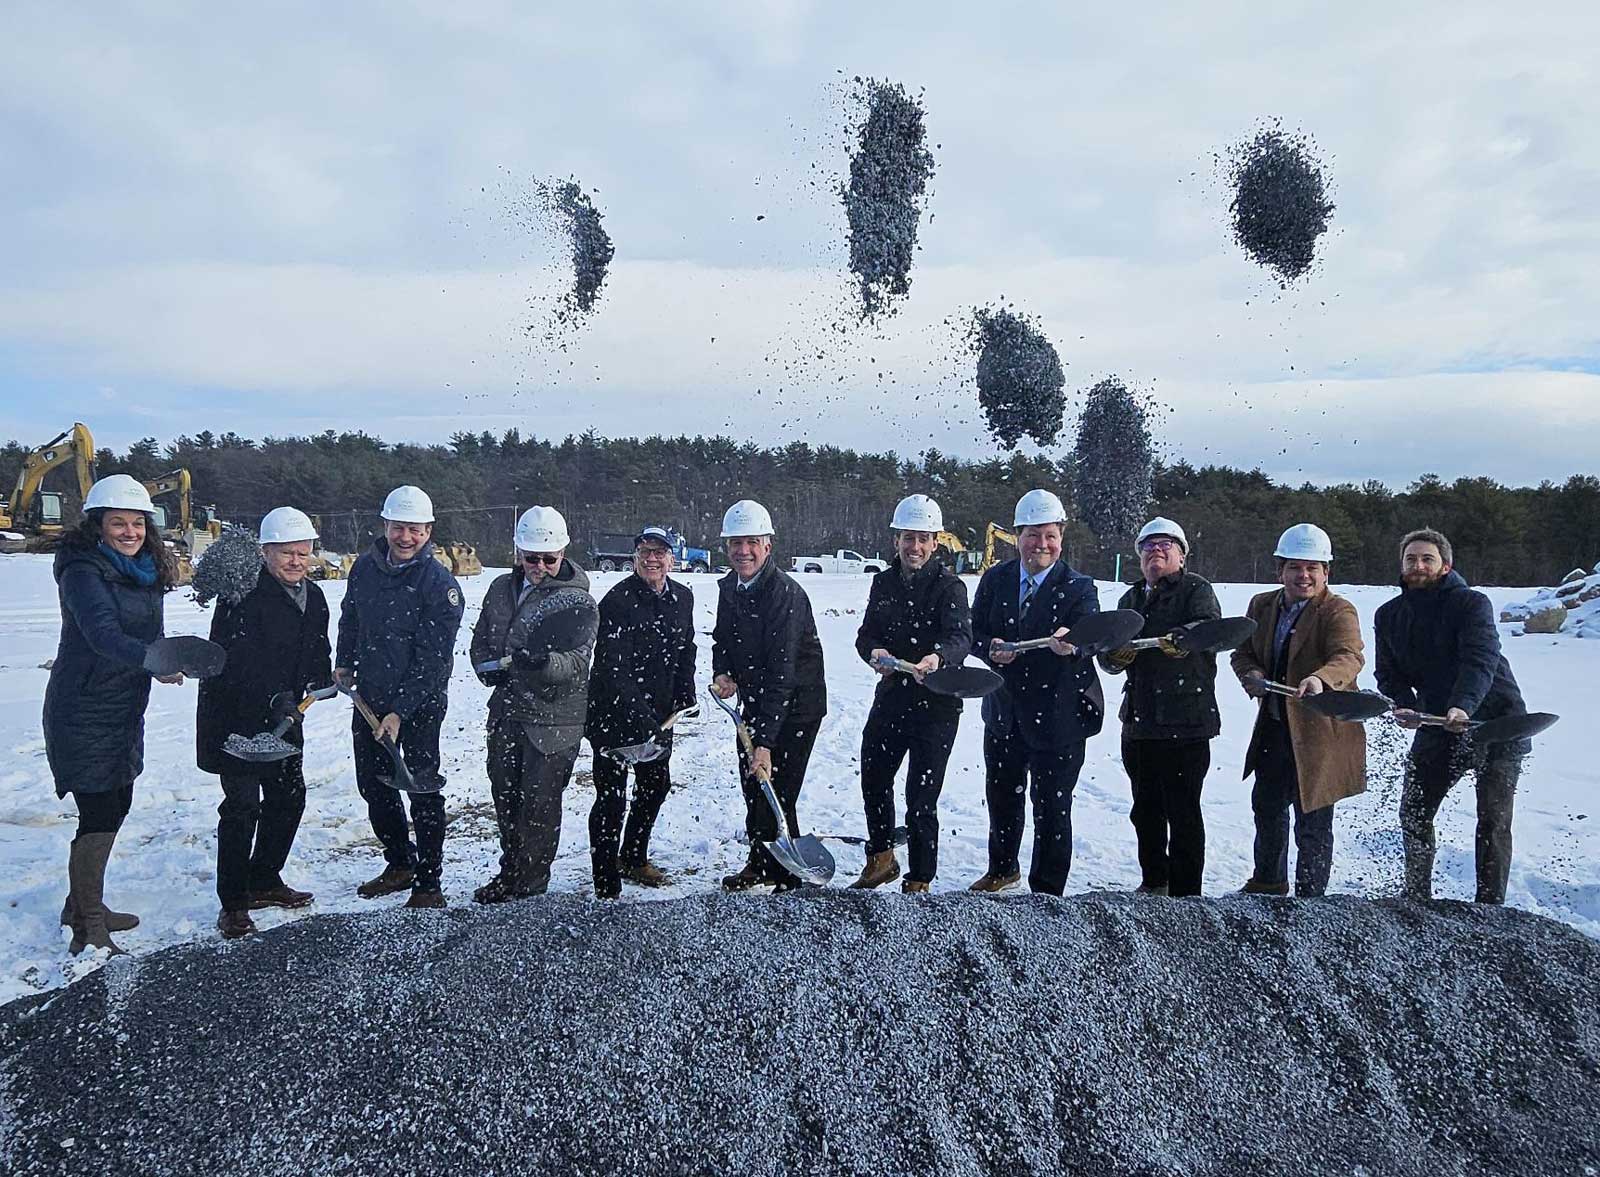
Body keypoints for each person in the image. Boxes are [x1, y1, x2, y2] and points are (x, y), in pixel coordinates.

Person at [43, 474, 184, 955]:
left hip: (123, 704)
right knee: (99, 810)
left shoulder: (144, 570)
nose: (130, 532)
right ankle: (89, 926)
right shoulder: (84, 571)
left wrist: (165, 658)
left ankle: (80, 903)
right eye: (118, 523)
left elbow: (148, 635)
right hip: (82, 706)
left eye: (138, 523)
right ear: (97, 526)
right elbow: (101, 634)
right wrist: (153, 661)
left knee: (117, 801)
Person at [196, 507, 333, 938]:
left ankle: (265, 879)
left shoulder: (315, 597)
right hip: (235, 720)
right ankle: (234, 903)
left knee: (288, 798)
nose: (296, 561)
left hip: (287, 718)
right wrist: (274, 696)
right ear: (265, 551)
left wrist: (321, 678)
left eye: (302, 553)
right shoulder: (242, 594)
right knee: (241, 808)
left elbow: (317, 650)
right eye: (286, 553)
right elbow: (233, 660)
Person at [1375, 528, 1531, 904]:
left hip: (1493, 720)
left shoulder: (1472, 604)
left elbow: (1480, 660)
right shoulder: (1389, 614)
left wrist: (1463, 705)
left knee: (1492, 819)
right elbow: (1388, 672)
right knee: (1413, 810)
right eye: (1411, 559)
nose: (1418, 565)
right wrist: (1402, 703)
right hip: (1436, 721)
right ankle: (1416, 897)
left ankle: (1490, 906)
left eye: (1427, 558)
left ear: (1445, 566)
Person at [969, 489, 1104, 895]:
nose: (1040, 545)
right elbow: (974, 632)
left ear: (1061, 536)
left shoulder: (1079, 587)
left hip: (1058, 718)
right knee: (1003, 798)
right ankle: (1002, 869)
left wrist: (1073, 644)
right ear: (1017, 536)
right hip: (1005, 713)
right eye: (1032, 535)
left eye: (1049, 535)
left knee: (1052, 808)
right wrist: (989, 648)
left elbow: (1094, 638)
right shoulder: (997, 579)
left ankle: (1047, 891)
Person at [335, 485, 464, 909]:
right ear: (385, 525)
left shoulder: (438, 584)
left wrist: (400, 712)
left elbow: (433, 659)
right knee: (374, 786)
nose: (405, 537)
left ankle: (428, 883)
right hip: (369, 699)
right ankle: (399, 862)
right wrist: (344, 662)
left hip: (420, 704)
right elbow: (350, 618)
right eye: (398, 528)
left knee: (421, 787)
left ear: (428, 531)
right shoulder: (364, 570)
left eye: (415, 529)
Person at [1230, 524, 1366, 898]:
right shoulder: (1261, 605)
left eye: (1312, 568)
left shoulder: (1338, 610)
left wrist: (1321, 680)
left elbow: (1349, 657)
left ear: (1326, 573)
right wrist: (1252, 675)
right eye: (1295, 568)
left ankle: (1311, 897)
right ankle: (1269, 882)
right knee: (1268, 809)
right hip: (1275, 728)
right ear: (1280, 571)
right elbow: (1242, 654)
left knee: (1314, 820)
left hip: (1320, 735)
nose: (1303, 576)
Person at [471, 506, 598, 902]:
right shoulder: (499, 590)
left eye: (549, 558)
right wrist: (486, 667)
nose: (539, 566)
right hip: (507, 713)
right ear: (518, 552)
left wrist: (543, 664)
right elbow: (481, 639)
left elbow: (577, 662)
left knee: (539, 809)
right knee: (506, 799)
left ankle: (530, 888)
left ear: (563, 553)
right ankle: (510, 873)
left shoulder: (578, 602)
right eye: (531, 557)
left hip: (553, 720)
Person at [850, 494, 972, 893]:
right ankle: (881, 856)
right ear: (896, 540)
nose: (914, 547)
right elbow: (866, 635)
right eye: (907, 538)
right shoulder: (882, 582)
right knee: (874, 776)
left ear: (935, 542)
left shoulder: (950, 586)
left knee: (921, 795)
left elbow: (960, 637)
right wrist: (874, 652)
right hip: (892, 696)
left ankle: (920, 876)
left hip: (936, 702)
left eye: (922, 539)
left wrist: (938, 657)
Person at [1098, 517, 1221, 898]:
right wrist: (1114, 657)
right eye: (1148, 546)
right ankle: (1154, 881)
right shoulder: (1131, 599)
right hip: (1140, 720)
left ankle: (1186, 893)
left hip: (1187, 722)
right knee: (1145, 809)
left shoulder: (1196, 590)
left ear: (1182, 555)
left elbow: (1211, 632)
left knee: (1183, 811)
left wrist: (1184, 640)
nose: (1156, 551)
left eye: (1166, 545)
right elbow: (1108, 654)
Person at [711, 499, 827, 892]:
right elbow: (722, 638)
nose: (743, 551)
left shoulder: (785, 596)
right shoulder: (731, 586)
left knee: (778, 788)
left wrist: (764, 743)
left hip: (797, 705)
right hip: (758, 701)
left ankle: (790, 875)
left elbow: (783, 673)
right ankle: (760, 862)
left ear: (768, 546)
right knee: (753, 786)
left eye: (751, 543)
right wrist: (723, 671)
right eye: (735, 543)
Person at [584, 526, 696, 898]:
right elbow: (612, 667)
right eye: (645, 551)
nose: (653, 559)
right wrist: (640, 713)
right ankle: (605, 880)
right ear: (634, 557)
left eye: (660, 552)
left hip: (660, 716)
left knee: (654, 786)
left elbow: (686, 649)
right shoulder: (616, 601)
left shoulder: (683, 597)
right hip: (613, 715)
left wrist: (685, 692)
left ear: (671, 558)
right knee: (611, 799)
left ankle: (633, 855)